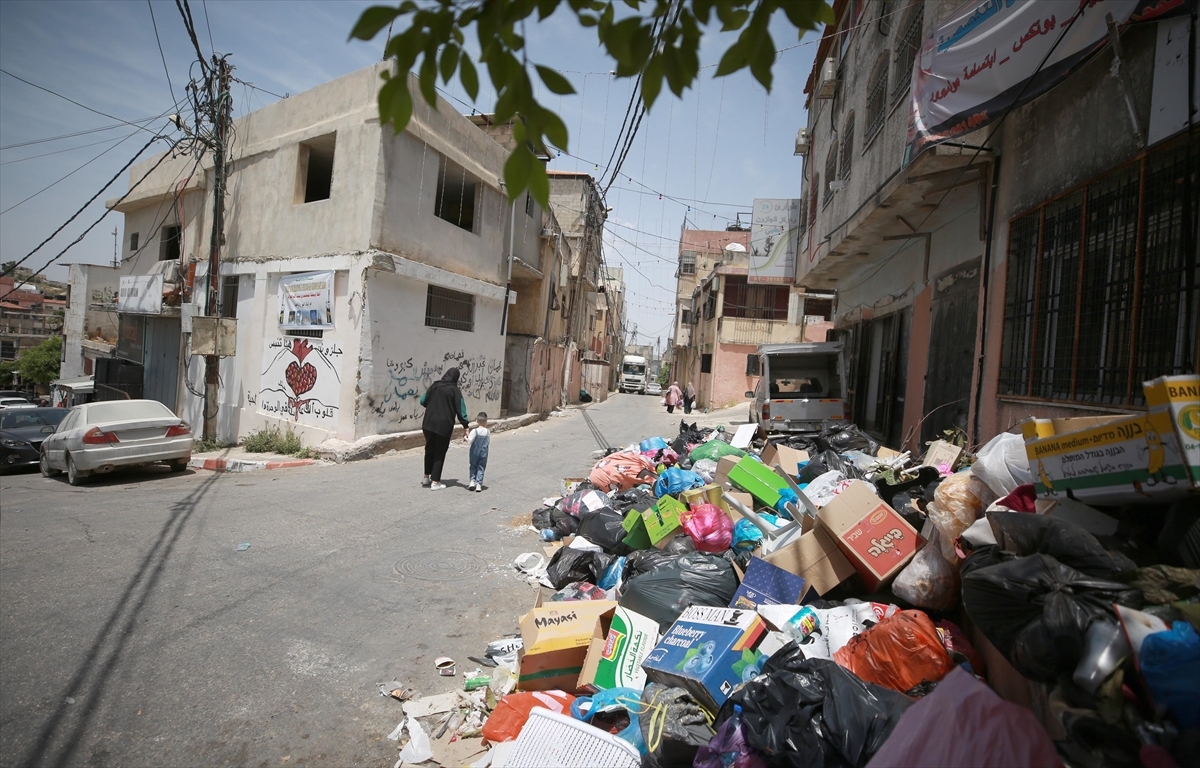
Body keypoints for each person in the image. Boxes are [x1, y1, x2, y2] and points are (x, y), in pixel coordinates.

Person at [419, 368, 469, 490]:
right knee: (439, 452)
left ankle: (426, 477)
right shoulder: (454, 390)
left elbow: (422, 400)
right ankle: (435, 482)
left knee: (429, 449)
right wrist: (466, 426)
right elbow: (460, 409)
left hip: (428, 424)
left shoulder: (434, 386)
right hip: (443, 426)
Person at [465, 412, 490, 492]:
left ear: (476, 421)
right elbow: (488, 442)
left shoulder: (474, 431)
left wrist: (466, 437)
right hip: (484, 453)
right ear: (486, 422)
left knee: (473, 466)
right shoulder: (487, 432)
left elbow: (470, 441)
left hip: (474, 452)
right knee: (481, 467)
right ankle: (479, 485)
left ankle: (472, 481)